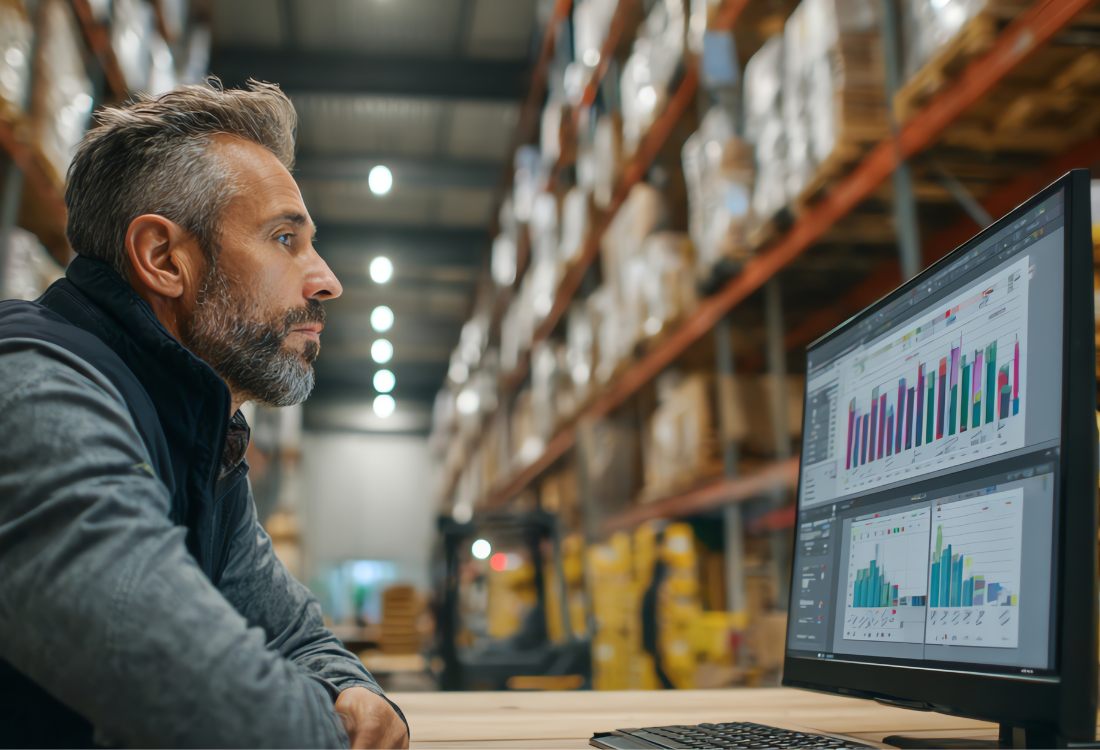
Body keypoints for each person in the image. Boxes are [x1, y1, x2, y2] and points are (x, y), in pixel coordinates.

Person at [0, 81, 409, 749]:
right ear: (163, 259)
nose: (326, 280)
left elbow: (295, 634)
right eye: (285, 238)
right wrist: (334, 723)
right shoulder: (30, 387)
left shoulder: (198, 439)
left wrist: (349, 690)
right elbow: (204, 700)